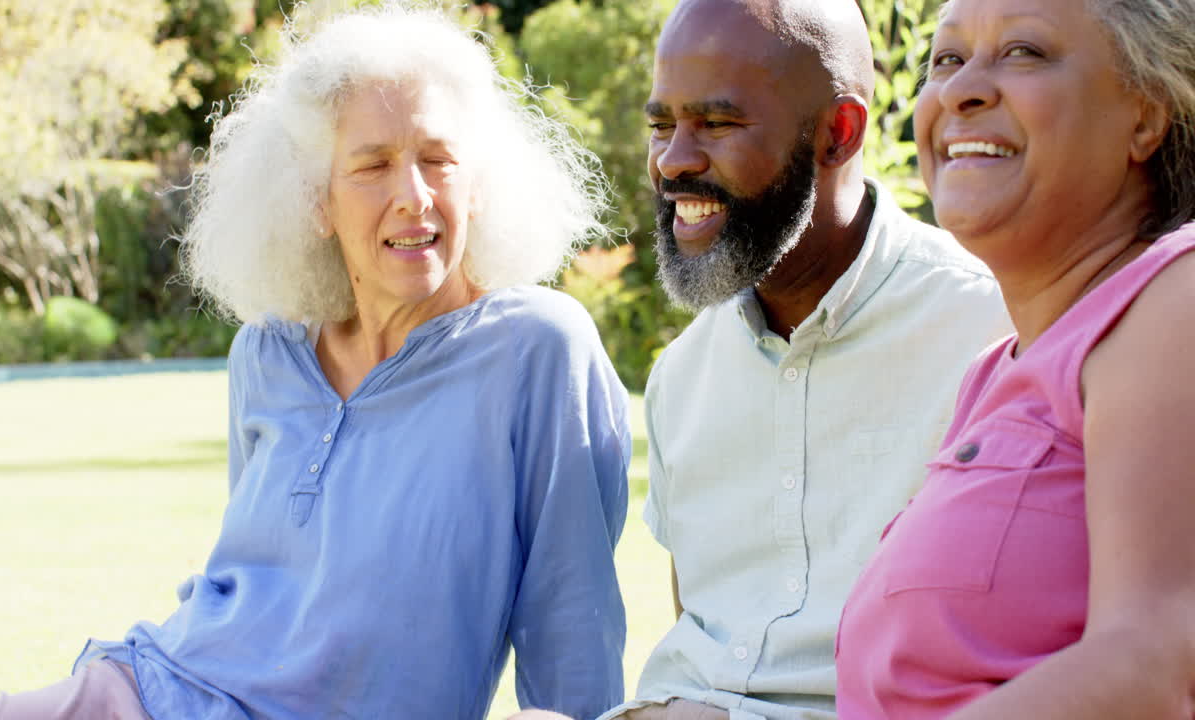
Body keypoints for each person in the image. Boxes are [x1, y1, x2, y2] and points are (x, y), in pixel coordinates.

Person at [0, 5, 631, 720]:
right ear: (317, 200)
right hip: (155, 690)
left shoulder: (538, 350)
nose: (413, 196)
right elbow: (249, 586)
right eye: (373, 164)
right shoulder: (265, 354)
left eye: (438, 160)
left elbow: (574, 627)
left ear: (475, 184)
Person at [510, 1, 1009, 719]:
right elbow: (697, 622)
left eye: (716, 124)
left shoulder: (989, 332)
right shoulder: (683, 375)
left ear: (837, 134)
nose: (672, 160)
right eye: (661, 126)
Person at [835, 0, 1195, 716]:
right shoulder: (994, 371)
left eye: (1024, 51)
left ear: (1146, 117)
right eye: (945, 59)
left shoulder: (1173, 296)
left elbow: (1155, 666)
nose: (961, 88)